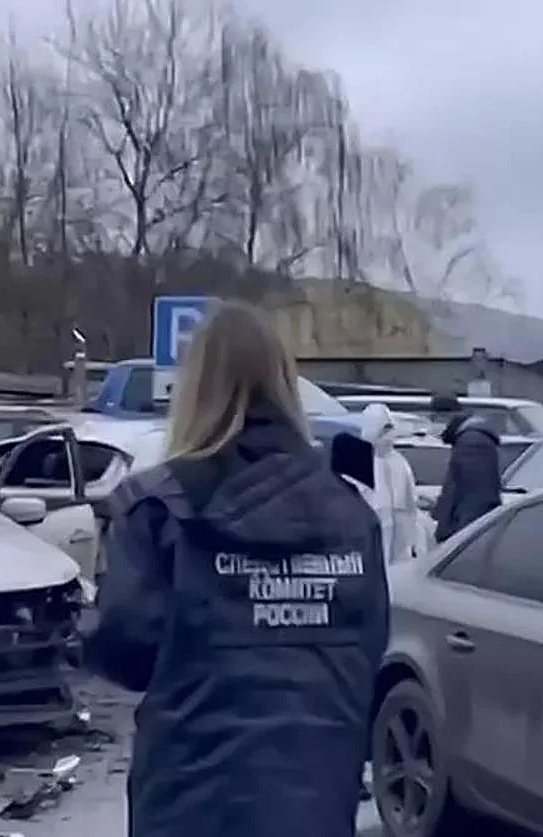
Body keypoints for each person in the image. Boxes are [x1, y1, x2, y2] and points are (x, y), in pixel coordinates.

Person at [84, 300, 389, 837]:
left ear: (195, 388)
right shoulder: (351, 513)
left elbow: (123, 651)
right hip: (316, 799)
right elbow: (369, 645)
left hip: (192, 802)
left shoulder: (158, 507)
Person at [359, 403, 425, 564]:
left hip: (399, 531)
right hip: (371, 531)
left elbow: (410, 503)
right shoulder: (358, 461)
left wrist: (415, 540)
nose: (388, 437)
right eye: (383, 431)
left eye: (389, 430)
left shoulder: (398, 462)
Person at [433, 411, 502, 542]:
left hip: (466, 527)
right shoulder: (477, 439)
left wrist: (462, 534)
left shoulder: (472, 443)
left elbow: (475, 495)